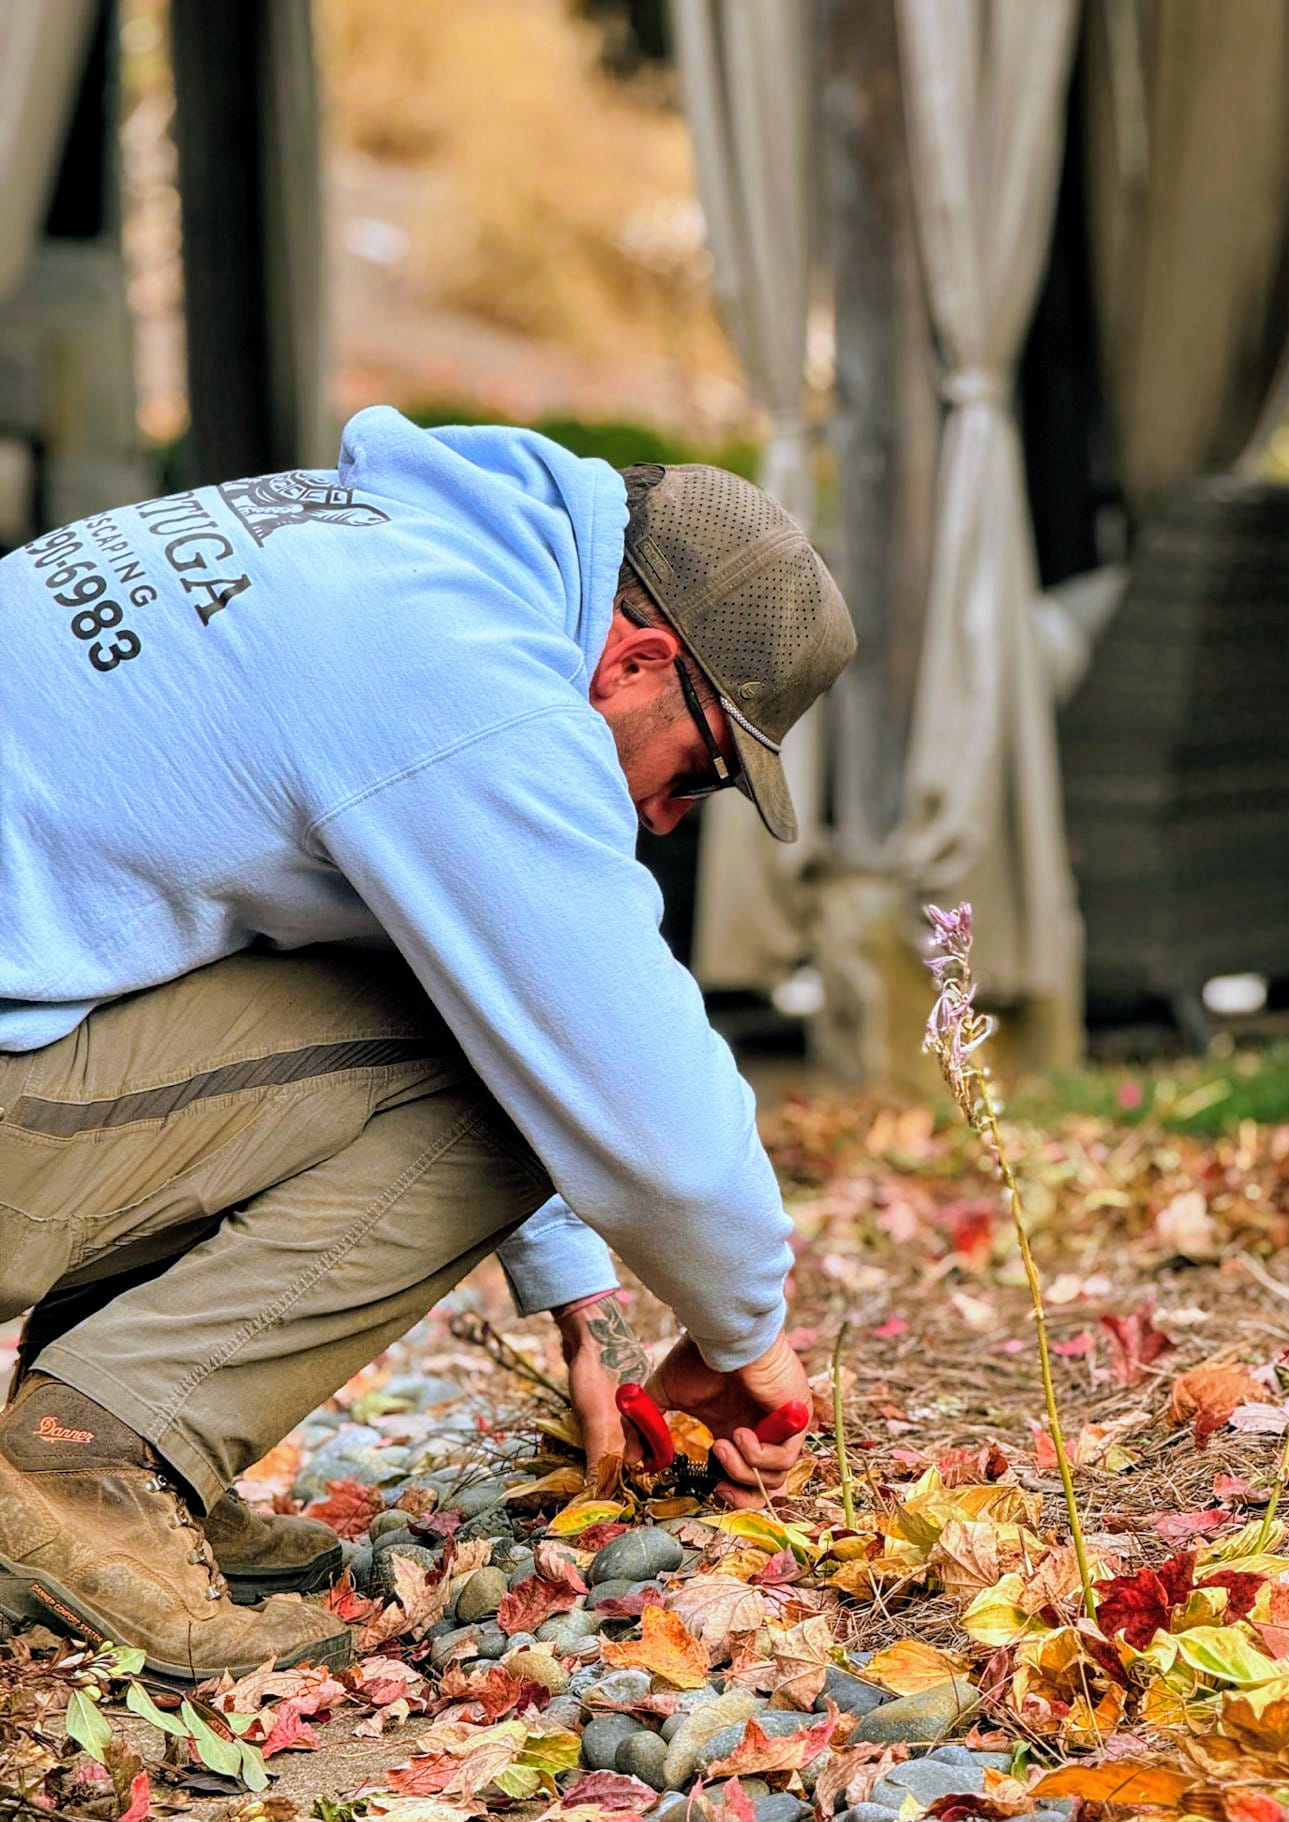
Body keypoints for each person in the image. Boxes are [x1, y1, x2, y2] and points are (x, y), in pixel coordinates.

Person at [0, 411, 855, 1681]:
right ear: (636, 661)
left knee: (478, 1030)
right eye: (705, 770)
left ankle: (97, 1432)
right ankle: (85, 1463)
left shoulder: (381, 551)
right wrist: (750, 1341)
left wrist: (584, 1309)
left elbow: (447, 965)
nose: (670, 818)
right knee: (531, 1070)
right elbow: (643, 1113)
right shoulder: (462, 676)